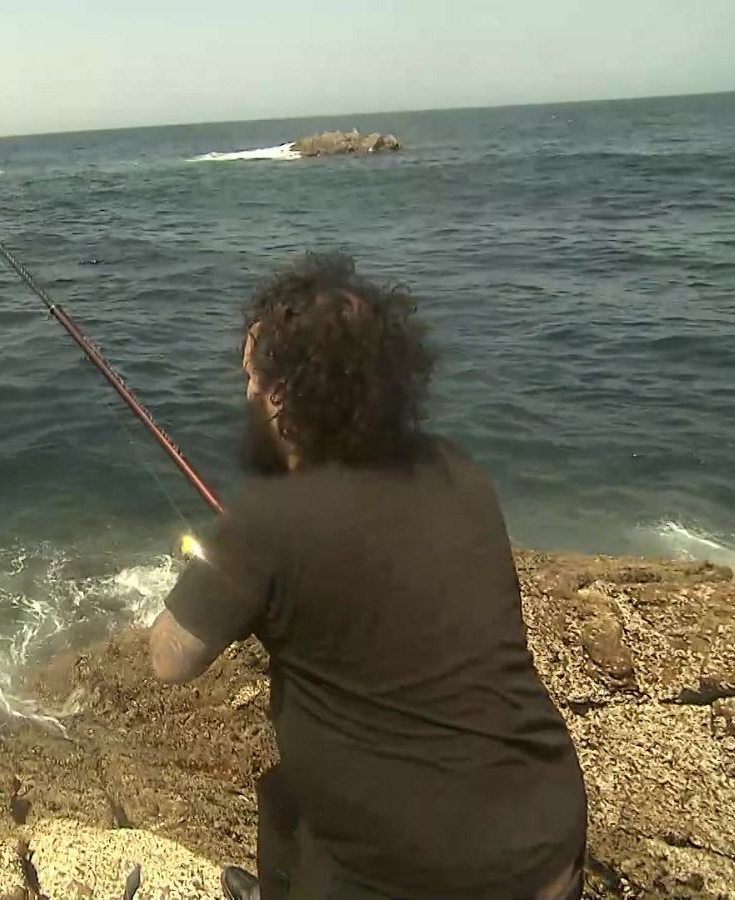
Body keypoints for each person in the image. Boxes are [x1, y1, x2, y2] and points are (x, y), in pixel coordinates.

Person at [150, 253, 587, 900]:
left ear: (281, 393)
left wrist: (229, 561)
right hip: (549, 841)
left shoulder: (268, 521)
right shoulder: (456, 469)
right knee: (286, 808)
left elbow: (169, 658)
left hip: (422, 880)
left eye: (251, 376)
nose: (243, 391)